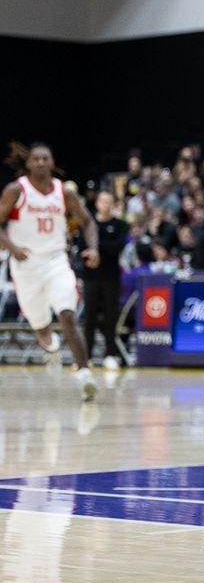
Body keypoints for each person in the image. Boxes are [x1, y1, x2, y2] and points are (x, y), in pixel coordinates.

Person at [0, 143, 99, 400]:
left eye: (46, 158)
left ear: (52, 162)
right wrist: (12, 247)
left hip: (56, 262)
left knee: (67, 314)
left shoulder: (64, 192)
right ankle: (51, 347)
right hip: (25, 265)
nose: (41, 162)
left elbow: (88, 221)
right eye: (37, 159)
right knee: (42, 329)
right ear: (29, 163)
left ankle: (85, 374)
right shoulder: (16, 190)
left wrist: (93, 248)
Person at [82, 190, 130, 369]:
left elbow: (116, 247)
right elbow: (82, 247)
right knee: (89, 318)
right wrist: (98, 249)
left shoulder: (121, 225)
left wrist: (95, 248)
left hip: (111, 278)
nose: (106, 205)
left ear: (114, 204)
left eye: (109, 201)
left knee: (111, 317)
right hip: (91, 277)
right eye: (103, 201)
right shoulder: (88, 224)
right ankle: (85, 357)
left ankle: (110, 355)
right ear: (97, 203)